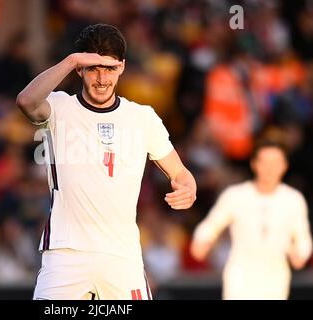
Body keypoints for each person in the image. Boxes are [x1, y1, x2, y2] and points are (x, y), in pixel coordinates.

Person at [16, 24, 196, 300]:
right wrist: (72, 59)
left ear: (122, 67)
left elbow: (180, 173)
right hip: (66, 254)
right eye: (93, 68)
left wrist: (188, 187)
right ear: (80, 70)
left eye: (109, 68)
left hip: (121, 256)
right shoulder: (59, 108)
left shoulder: (142, 118)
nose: (102, 79)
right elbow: (26, 101)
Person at [190, 140, 312, 300]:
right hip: (239, 280)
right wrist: (202, 241)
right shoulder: (235, 195)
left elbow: (303, 237)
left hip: (275, 281)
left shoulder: (293, 199)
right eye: (264, 162)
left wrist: (300, 253)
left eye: (275, 162)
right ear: (254, 164)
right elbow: (211, 225)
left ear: (284, 165)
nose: (269, 168)